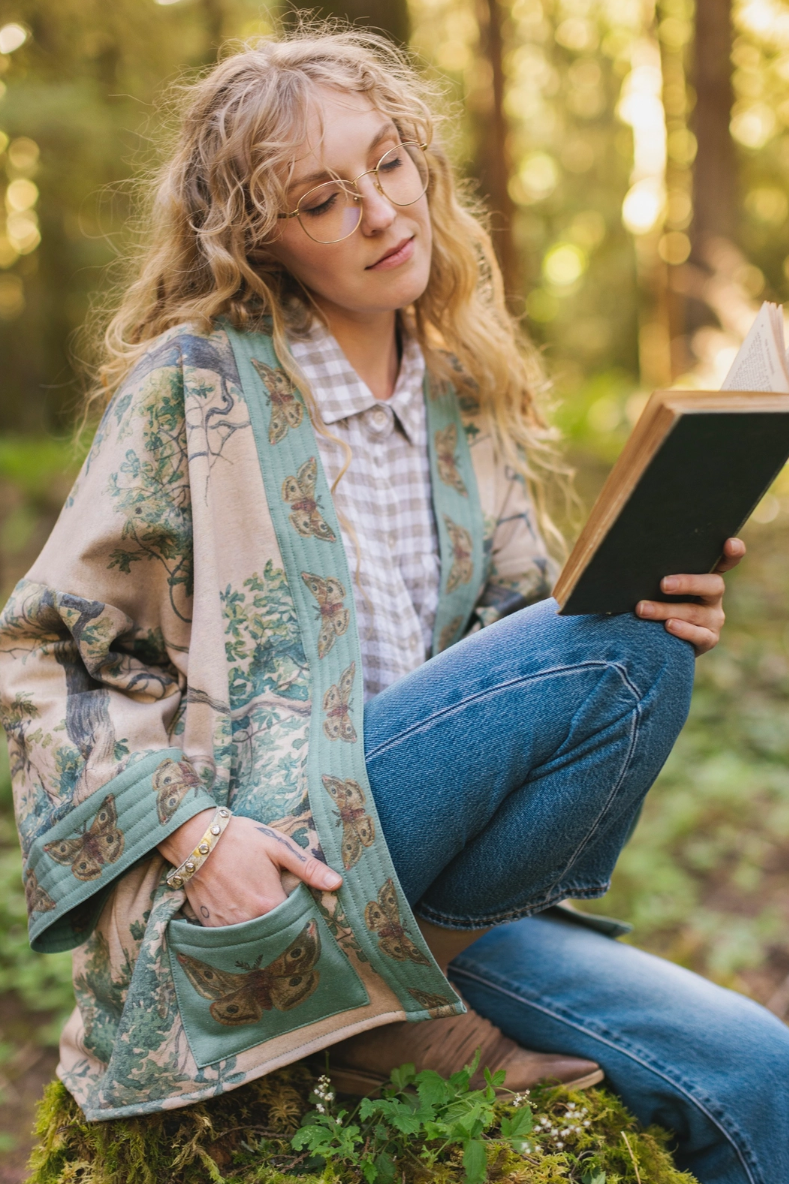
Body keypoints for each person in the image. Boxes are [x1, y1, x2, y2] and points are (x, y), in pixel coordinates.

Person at [1, 26, 786, 1183]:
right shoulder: (198, 385)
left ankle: (365, 1012)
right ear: (258, 236)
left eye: (389, 162)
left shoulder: (462, 393)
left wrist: (660, 596)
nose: (380, 210)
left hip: (430, 894)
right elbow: (42, 654)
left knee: (757, 1069)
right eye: (323, 198)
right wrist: (195, 830)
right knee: (614, 648)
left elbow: (521, 641)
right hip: (271, 875)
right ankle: (330, 1005)